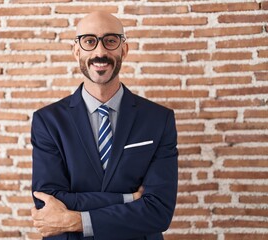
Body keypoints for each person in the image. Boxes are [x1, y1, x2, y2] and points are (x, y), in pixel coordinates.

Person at [31, 11, 178, 240]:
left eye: (110, 41)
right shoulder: (48, 121)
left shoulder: (159, 120)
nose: (100, 52)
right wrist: (127, 199)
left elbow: (159, 211)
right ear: (76, 51)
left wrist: (78, 220)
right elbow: (47, 201)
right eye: (89, 41)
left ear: (124, 50)